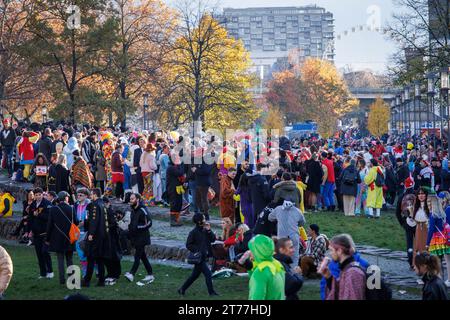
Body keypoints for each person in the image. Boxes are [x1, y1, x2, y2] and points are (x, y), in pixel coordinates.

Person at [178, 214, 218, 296]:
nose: (205, 219)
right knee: (208, 274)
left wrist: (209, 230)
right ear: (199, 221)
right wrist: (197, 250)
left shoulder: (205, 230)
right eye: (203, 218)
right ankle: (211, 292)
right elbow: (188, 244)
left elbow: (213, 239)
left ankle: (182, 289)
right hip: (199, 258)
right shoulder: (193, 232)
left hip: (204, 257)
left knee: (194, 276)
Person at [45, 191, 78, 285]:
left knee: (60, 259)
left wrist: (47, 239)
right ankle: (72, 279)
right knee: (69, 259)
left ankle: (62, 280)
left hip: (57, 237)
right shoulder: (71, 208)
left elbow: (49, 225)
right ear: (66, 198)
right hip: (69, 237)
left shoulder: (53, 209)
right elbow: (75, 222)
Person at [321, 234, 366, 300]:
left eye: (331, 250)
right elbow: (341, 291)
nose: (330, 253)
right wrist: (329, 278)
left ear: (339, 250)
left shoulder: (353, 273)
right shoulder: (346, 268)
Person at [82, 188, 111, 287]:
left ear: (95, 194)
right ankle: (101, 281)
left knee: (91, 258)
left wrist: (90, 234)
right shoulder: (103, 204)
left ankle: (87, 281)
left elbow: (93, 221)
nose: (90, 196)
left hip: (95, 236)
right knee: (100, 259)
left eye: (91, 194)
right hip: (103, 236)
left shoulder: (94, 205)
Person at [124, 193, 154, 284]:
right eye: (130, 199)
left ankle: (131, 274)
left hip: (142, 237)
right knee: (143, 256)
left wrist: (137, 228)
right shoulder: (133, 210)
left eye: (132, 199)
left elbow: (149, 223)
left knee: (137, 256)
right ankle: (150, 274)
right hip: (136, 237)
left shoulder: (142, 209)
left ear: (138, 199)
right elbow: (132, 224)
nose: (130, 200)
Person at [269, 198, 306, 268]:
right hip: (294, 236)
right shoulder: (298, 211)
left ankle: (283, 270)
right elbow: (302, 223)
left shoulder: (278, 209)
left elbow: (270, 218)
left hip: (282, 238)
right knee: (295, 255)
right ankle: (293, 271)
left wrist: (278, 218)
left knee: (281, 254)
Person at [248, 234, 285, 300]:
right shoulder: (277, 265)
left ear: (258, 251)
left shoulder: (261, 272)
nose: (249, 252)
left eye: (252, 249)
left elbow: (257, 297)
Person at [28, 187, 53, 279]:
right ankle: (43, 273)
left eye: (39, 194)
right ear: (34, 196)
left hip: (45, 232)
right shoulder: (33, 204)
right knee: (39, 253)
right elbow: (30, 218)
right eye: (36, 195)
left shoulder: (47, 204)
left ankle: (50, 271)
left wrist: (39, 214)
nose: (38, 196)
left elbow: (49, 217)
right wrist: (28, 231)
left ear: (43, 194)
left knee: (45, 252)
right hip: (36, 233)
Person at [426, 192, 450, 287]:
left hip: (438, 239)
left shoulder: (436, 213)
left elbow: (431, 229)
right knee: (445, 259)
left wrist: (427, 243)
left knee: (439, 260)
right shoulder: (442, 212)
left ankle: (439, 280)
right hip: (445, 237)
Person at [103, 197, 122, 285]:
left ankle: (115, 273)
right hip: (108, 237)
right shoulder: (106, 211)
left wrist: (105, 227)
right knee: (108, 257)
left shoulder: (110, 211)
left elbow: (113, 224)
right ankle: (112, 273)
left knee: (113, 256)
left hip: (112, 237)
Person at [73, 188, 91, 275]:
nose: (78, 196)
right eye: (78, 195)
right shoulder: (75, 205)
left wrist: (82, 224)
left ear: (86, 196)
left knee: (89, 253)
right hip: (78, 232)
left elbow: (90, 218)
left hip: (87, 231)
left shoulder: (89, 205)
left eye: (81, 195)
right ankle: (85, 273)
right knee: (80, 254)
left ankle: (97, 270)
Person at [166, 153, 185, 226]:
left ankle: (177, 219)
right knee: (174, 204)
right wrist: (182, 164)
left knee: (178, 204)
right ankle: (173, 221)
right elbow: (180, 173)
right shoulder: (171, 167)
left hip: (178, 188)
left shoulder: (175, 166)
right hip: (172, 189)